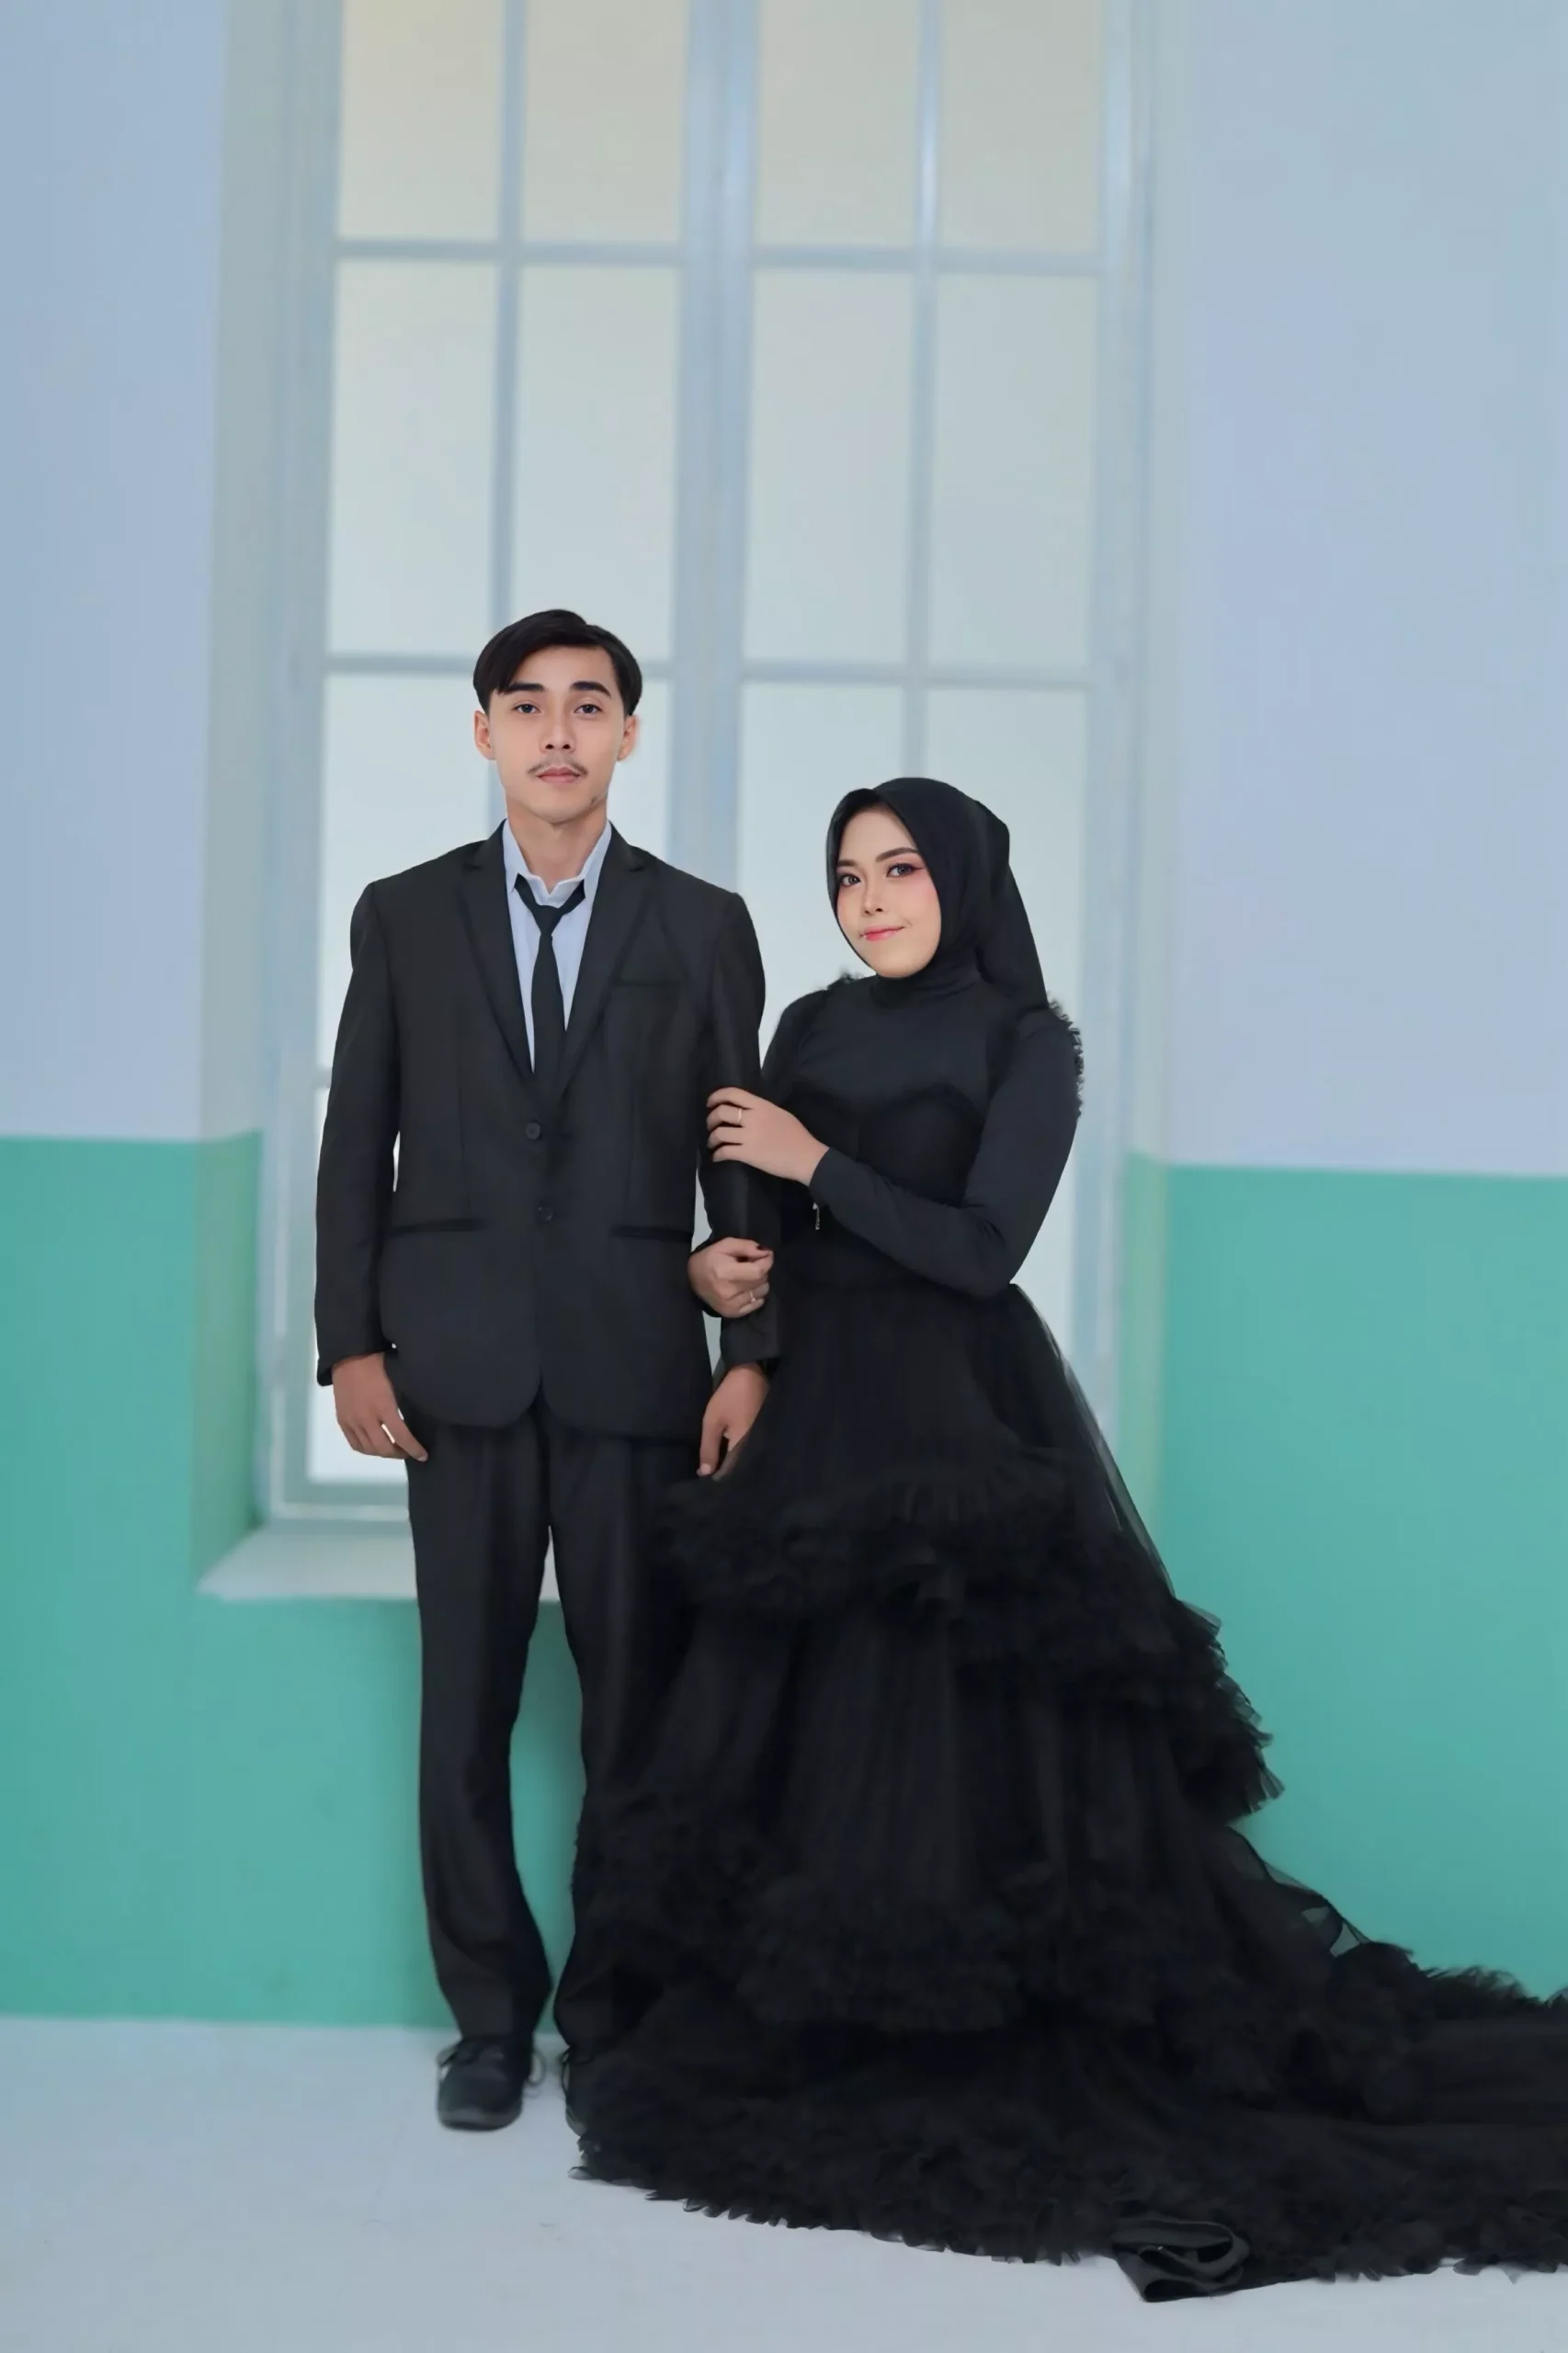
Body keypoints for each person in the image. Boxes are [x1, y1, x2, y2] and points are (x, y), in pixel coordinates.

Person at [567, 777, 1568, 2298]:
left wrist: (815, 1160)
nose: (869, 901)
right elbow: (759, 1224)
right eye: (847, 877)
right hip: (814, 1398)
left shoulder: (1026, 1042)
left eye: (899, 870)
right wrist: (738, 1331)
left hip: (957, 1406)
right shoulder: (812, 1027)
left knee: (951, 1728)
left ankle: (966, 2027)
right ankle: (822, 2025)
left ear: (965, 880)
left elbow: (982, 1248)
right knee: (808, 1720)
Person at [314, 609, 778, 2131]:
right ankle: (490, 2026)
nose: (558, 731)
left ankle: (616, 2017)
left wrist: (749, 1350)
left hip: (637, 1366)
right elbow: (354, 1141)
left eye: (589, 705)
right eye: (528, 706)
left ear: (628, 734)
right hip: (450, 1372)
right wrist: (348, 1342)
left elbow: (735, 1154)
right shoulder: (402, 916)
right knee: (463, 1709)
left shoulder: (700, 925)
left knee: (633, 1713)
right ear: (485, 734)